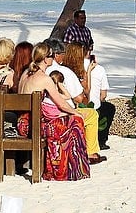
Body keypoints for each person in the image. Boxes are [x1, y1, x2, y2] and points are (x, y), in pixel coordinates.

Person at [17, 45, 91, 180]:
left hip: (23, 122)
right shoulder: (44, 78)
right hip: (35, 125)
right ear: (45, 59)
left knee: (67, 120)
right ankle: (68, 170)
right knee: (76, 122)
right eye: (51, 56)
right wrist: (75, 112)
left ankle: (67, 167)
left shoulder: (25, 74)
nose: (53, 58)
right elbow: (61, 103)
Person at [54, 41, 105, 162]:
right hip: (60, 114)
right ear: (56, 55)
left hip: (43, 113)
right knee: (92, 114)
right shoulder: (64, 71)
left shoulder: (34, 72)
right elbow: (81, 98)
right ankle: (91, 152)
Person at [84, 40, 116, 149]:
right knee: (109, 108)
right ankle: (101, 140)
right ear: (91, 48)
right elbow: (103, 95)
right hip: (92, 107)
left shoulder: (69, 66)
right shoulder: (99, 69)